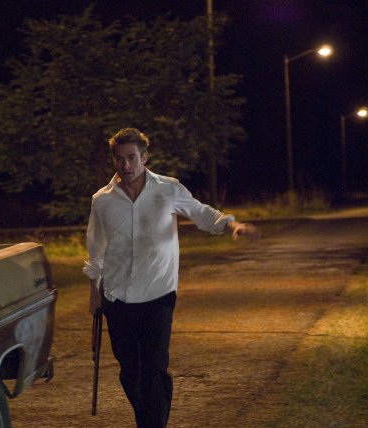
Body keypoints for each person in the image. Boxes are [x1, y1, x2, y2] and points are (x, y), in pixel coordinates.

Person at [83, 128, 259, 428]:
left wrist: (232, 225)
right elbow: (96, 246)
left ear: (144, 158)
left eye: (132, 158)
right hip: (117, 296)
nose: (126, 165)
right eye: (119, 159)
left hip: (158, 294)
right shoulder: (102, 200)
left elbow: (201, 213)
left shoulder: (168, 188)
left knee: (154, 369)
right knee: (130, 372)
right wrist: (94, 289)